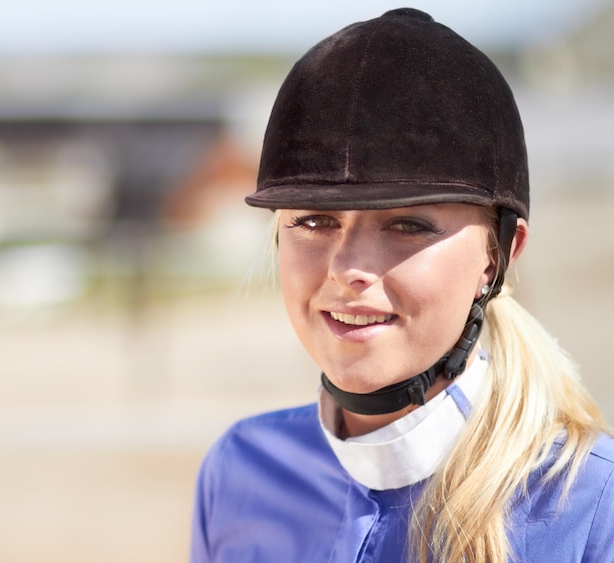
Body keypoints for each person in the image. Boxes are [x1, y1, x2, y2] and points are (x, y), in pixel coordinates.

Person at [192, 8, 614, 562]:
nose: (346, 269)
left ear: (500, 256)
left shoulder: (590, 505)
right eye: (314, 221)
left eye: (408, 225)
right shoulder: (238, 473)